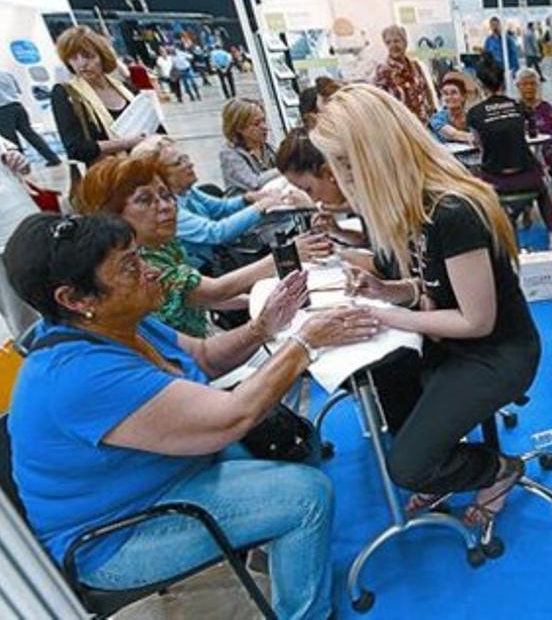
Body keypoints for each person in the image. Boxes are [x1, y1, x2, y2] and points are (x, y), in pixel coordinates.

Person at [3, 212, 377, 620]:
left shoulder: (119, 322)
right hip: (114, 539)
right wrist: (304, 343)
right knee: (307, 495)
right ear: (75, 299)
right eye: (130, 267)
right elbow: (231, 417)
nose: (150, 272)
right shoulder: (77, 376)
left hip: (161, 478)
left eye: (139, 257)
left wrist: (262, 328)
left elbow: (201, 356)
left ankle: (278, 552)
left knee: (290, 447)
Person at [310, 83, 537, 527]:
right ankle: (446, 473)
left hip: (497, 354)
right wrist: (387, 290)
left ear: (374, 156)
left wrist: (387, 314)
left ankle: (500, 469)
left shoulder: (453, 211)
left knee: (407, 467)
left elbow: (475, 319)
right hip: (451, 344)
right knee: (388, 384)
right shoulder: (410, 206)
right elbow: (432, 287)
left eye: (345, 164)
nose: (340, 178)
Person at [74, 153, 329, 337]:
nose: (165, 206)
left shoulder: (164, 246)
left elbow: (200, 299)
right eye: (145, 200)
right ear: (111, 215)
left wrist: (258, 300)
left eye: (165, 196)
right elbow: (213, 291)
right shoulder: (140, 266)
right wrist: (284, 256)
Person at [468, 56, 552, 255]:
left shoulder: (474, 113)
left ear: (479, 84)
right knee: (544, 185)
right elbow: (530, 134)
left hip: (496, 180)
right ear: (504, 82)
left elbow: (478, 144)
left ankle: (505, 244)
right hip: (527, 178)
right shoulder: (520, 107)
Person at [133, 136, 282, 270]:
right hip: (204, 271)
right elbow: (216, 233)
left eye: (185, 158)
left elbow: (221, 208)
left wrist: (248, 198)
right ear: (160, 177)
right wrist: (260, 207)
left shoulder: (188, 192)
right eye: (179, 163)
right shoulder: (168, 212)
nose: (189, 164)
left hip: (218, 258)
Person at [50, 26, 152, 165]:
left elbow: (155, 127)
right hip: (112, 176)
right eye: (73, 58)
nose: (82, 63)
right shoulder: (65, 93)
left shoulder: (126, 89)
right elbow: (76, 149)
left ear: (102, 56)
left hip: (151, 167)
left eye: (88, 56)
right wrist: (128, 143)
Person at [276, 127, 368, 250]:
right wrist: (338, 232)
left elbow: (387, 262)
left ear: (327, 172)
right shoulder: (363, 202)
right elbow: (374, 245)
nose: (314, 200)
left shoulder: (375, 198)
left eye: (308, 189)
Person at [0, 139, 40, 337]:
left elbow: (18, 161)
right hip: (2, 247)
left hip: (30, 225)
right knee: (26, 322)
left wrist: (17, 159)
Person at [372, 25, 435, 126]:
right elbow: (379, 103)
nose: (393, 45)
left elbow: (427, 91)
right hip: (402, 128)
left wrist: (432, 111)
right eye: (388, 42)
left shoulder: (416, 66)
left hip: (423, 124)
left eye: (396, 41)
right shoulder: (383, 71)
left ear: (405, 43)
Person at [0, 67, 62, 166]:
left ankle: (20, 166)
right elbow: (18, 90)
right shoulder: (7, 73)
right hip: (18, 106)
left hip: (3, 110)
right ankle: (53, 158)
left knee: (11, 140)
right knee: (30, 134)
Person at [220, 98, 279, 192]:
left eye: (264, 120)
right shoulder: (229, 154)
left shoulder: (268, 148)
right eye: (256, 124)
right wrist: (284, 170)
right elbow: (254, 184)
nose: (264, 127)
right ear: (239, 128)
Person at [428, 74, 474, 145]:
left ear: (463, 96)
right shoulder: (437, 118)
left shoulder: (472, 115)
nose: (449, 97)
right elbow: (453, 134)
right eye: (445, 94)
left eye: (454, 93)